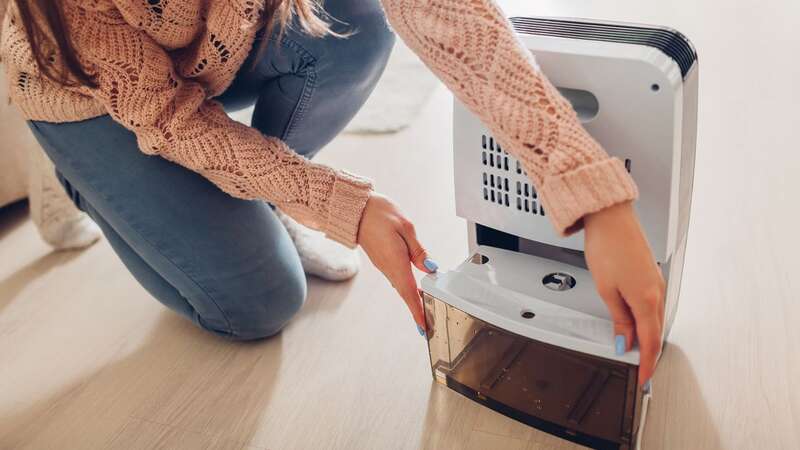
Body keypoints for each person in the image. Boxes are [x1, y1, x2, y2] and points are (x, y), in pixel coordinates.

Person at [0, 0, 665, 384]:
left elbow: (443, 13)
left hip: (217, 45)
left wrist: (587, 189)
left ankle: (260, 193)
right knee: (259, 307)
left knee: (359, 19)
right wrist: (342, 205)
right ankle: (78, 175)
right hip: (91, 87)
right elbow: (173, 121)